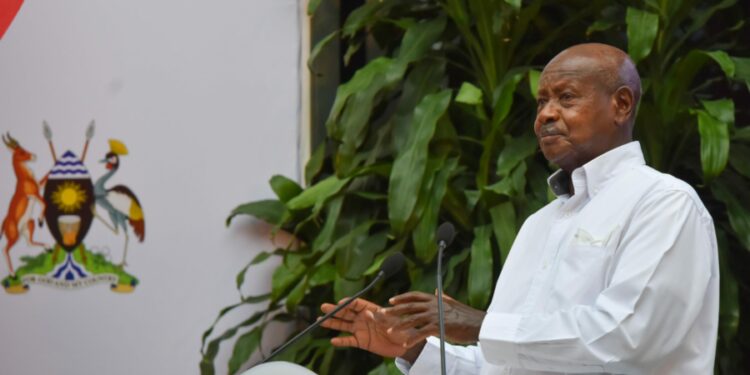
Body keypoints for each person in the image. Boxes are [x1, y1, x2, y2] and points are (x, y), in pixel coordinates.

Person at [319, 43, 719, 374]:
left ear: (621, 104)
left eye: (565, 97)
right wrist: (413, 349)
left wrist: (479, 324)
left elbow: (627, 338)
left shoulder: (664, 203)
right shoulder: (539, 225)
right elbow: (504, 363)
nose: (545, 114)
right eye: (542, 101)